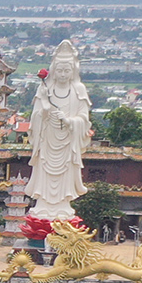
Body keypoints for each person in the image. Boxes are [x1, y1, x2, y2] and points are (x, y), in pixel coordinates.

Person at [27, 40, 91, 219]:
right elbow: (35, 117)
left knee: (65, 172)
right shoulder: (46, 88)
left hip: (68, 142)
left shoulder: (78, 89)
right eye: (60, 70)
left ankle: (63, 205)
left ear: (73, 71)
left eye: (67, 70)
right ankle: (43, 205)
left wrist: (70, 121)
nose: (63, 74)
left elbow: (84, 119)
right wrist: (44, 112)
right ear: (53, 71)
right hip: (47, 140)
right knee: (44, 169)